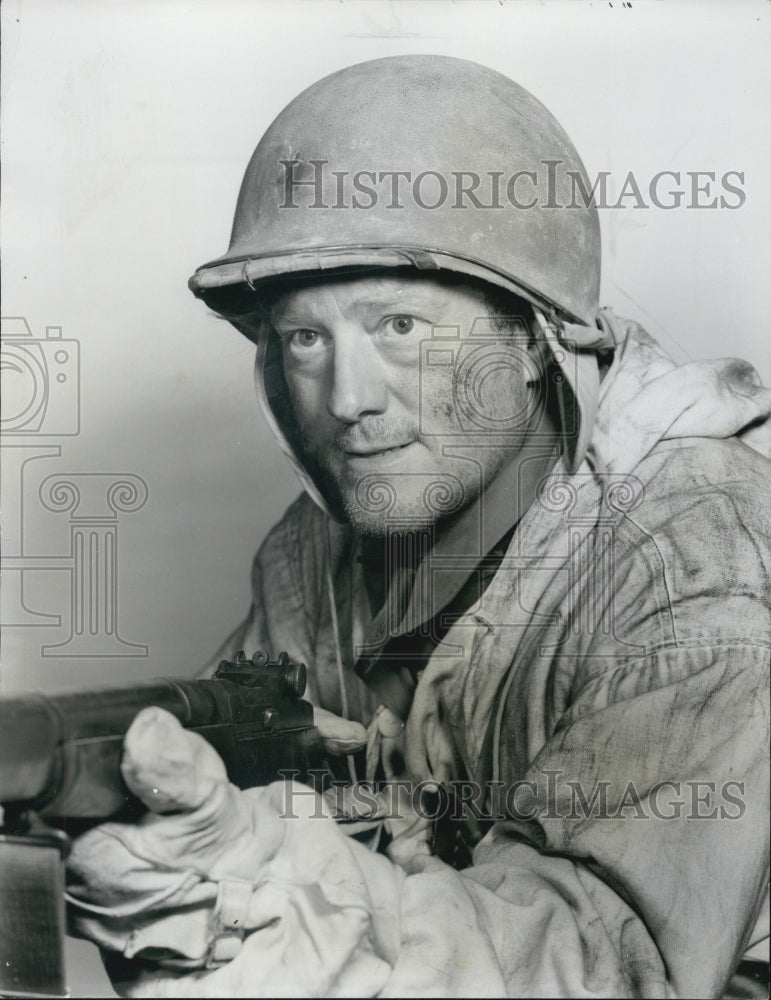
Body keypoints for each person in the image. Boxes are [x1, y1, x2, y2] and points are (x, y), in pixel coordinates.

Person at [64, 56, 770, 998]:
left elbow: (610, 965)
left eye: (398, 325)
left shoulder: (697, 562)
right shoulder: (313, 553)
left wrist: (267, 894)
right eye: (305, 340)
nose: (347, 402)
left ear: (532, 339)